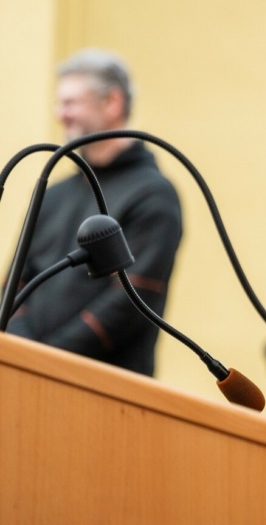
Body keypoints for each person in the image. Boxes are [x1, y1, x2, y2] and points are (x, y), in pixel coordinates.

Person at [7, 48, 183, 376]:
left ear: (112, 103)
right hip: (27, 375)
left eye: (71, 102)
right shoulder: (54, 191)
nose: (61, 114)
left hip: (105, 391)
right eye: (60, 104)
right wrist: (22, 350)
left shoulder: (153, 195)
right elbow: (16, 280)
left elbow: (131, 300)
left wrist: (48, 359)